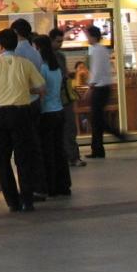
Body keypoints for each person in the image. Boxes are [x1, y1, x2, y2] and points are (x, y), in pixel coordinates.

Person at [0, 28, 46, 212]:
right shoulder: (25, 64)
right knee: (24, 159)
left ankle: (12, 202)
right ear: (15, 44)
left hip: (0, 115)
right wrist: (26, 91)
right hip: (22, 115)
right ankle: (27, 200)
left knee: (3, 160)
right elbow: (41, 88)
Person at [7, 18, 47, 201]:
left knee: (23, 150)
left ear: (16, 32)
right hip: (35, 103)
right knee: (35, 146)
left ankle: (28, 189)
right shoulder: (35, 52)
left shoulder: (16, 53)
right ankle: (40, 186)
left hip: (22, 105)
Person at [33, 34, 72, 197]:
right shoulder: (56, 67)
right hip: (59, 111)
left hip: (47, 114)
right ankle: (64, 185)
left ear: (39, 48)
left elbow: (41, 91)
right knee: (59, 150)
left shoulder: (42, 68)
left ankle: (51, 186)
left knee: (48, 151)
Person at [86, 25, 128, 158]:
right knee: (97, 120)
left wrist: (91, 86)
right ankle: (98, 149)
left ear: (93, 36)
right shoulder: (102, 49)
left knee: (97, 120)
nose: (87, 38)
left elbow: (96, 70)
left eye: (88, 36)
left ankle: (117, 135)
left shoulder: (97, 50)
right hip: (104, 87)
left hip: (100, 88)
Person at [49, 28, 86, 168]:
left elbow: (64, 75)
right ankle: (66, 157)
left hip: (65, 96)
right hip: (55, 98)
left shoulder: (61, 56)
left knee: (70, 128)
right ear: (51, 40)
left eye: (61, 41)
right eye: (58, 41)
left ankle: (73, 156)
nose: (60, 44)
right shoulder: (46, 57)